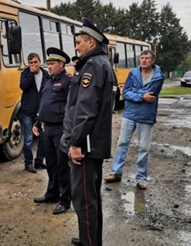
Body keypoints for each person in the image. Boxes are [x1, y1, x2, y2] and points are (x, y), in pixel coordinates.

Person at [61, 18, 116, 246]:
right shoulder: (102, 63)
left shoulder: (93, 66)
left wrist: (75, 143)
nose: (76, 47)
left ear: (91, 43)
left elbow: (85, 110)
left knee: (84, 200)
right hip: (92, 144)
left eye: (78, 42)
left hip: (86, 146)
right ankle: (90, 239)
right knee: (91, 198)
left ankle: (90, 243)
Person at [104, 49, 164, 190]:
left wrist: (135, 93)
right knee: (122, 143)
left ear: (152, 61)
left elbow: (152, 95)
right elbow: (125, 93)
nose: (143, 60)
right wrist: (141, 96)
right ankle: (116, 173)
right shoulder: (133, 73)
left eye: (147, 58)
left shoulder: (158, 77)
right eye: (142, 58)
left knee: (143, 148)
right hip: (129, 114)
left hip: (146, 116)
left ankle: (141, 178)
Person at [33, 47, 72, 215]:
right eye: (48, 63)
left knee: (62, 166)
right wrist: (37, 122)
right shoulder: (48, 80)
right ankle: (52, 194)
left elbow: (72, 106)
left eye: (52, 63)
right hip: (46, 128)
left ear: (61, 64)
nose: (49, 66)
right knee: (51, 164)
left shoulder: (67, 82)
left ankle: (65, 200)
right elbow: (43, 103)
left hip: (60, 129)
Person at [19, 52, 47, 173]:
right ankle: (28, 163)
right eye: (31, 63)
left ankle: (39, 161)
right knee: (29, 138)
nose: (33, 65)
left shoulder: (46, 74)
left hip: (41, 111)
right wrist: (31, 74)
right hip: (27, 111)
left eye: (35, 62)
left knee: (43, 138)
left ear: (39, 62)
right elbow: (23, 86)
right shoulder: (25, 74)